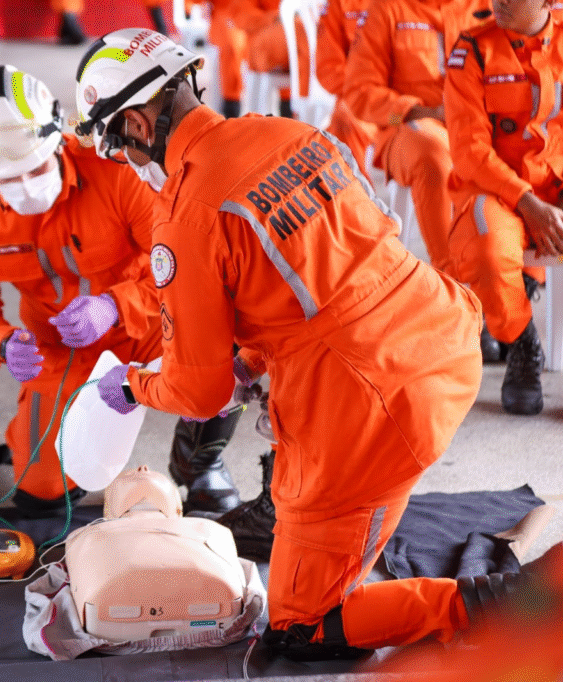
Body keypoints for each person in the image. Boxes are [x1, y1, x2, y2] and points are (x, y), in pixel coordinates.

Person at [74, 28, 506, 659]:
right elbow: (332, 272)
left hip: (367, 406)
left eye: (118, 147)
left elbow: (199, 393)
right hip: (441, 333)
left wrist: (133, 385)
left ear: (138, 124)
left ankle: (505, 605)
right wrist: (250, 359)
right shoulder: (289, 133)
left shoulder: (186, 215)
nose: (127, 164)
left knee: (301, 625)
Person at [0, 64, 246, 517]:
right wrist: (2, 343)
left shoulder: (115, 169)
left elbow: (184, 267)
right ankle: (49, 457)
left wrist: (114, 306)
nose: (25, 189)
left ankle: (200, 465)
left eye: (34, 169)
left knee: (227, 336)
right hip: (55, 351)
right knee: (40, 492)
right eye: (6, 180)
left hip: (147, 326)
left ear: (57, 138)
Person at [443, 0, 562, 415]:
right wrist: (527, 201)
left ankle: (524, 287)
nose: (500, 1)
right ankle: (524, 345)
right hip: (494, 188)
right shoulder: (472, 49)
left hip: (556, 182)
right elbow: (469, 150)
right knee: (487, 252)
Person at [342, 0, 492, 275]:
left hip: (480, 124)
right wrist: (420, 112)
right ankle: (451, 279)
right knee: (432, 154)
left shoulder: (493, 6)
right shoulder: (386, 9)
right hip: (401, 125)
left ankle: (529, 276)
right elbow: (359, 94)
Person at [315, 0, 378, 177]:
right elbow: (329, 68)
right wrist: (364, 94)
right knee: (344, 121)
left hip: (399, 118)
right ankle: (356, 193)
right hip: (369, 109)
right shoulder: (339, 4)